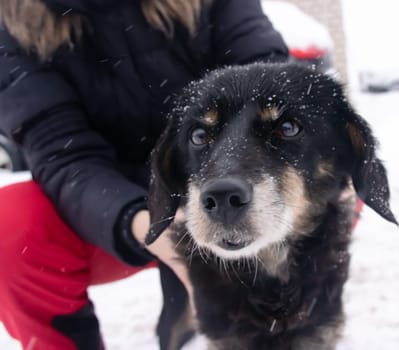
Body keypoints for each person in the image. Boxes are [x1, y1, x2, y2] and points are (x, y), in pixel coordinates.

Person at [0, 0, 288, 349]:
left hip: (226, 187)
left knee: (317, 187)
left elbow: (270, 86)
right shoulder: (10, 25)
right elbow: (66, 157)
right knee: (10, 228)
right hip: (112, 212)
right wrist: (154, 225)